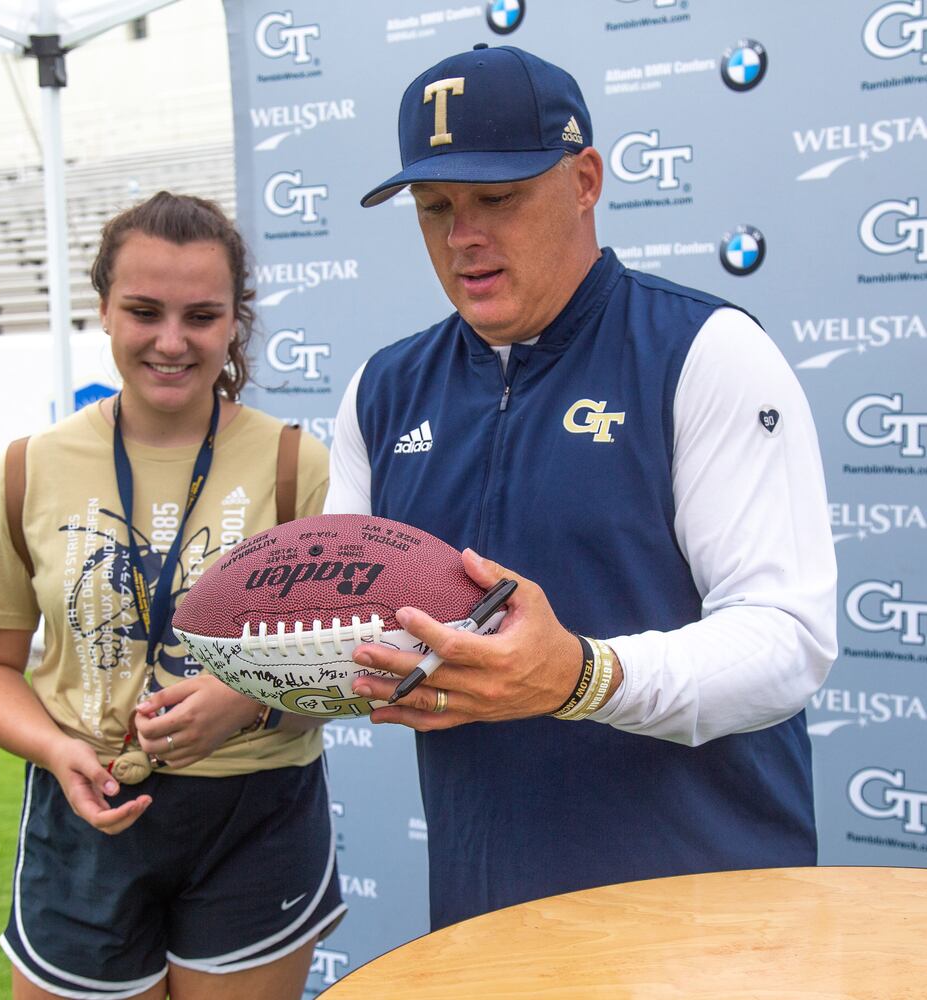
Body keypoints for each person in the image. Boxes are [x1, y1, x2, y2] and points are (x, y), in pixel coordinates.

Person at [323, 45, 837, 931]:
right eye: (434, 206)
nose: (462, 236)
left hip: (706, 910)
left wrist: (583, 677)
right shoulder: (382, 388)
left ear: (585, 179)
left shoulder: (703, 350)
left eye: (497, 198)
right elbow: (349, 628)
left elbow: (787, 640)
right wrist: (256, 677)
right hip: (488, 916)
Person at [0, 192, 344, 1000]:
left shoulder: (295, 466)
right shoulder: (28, 467)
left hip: (257, 813)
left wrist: (247, 701)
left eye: (201, 316)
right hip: (84, 807)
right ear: (103, 309)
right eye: (144, 311)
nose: (171, 342)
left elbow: (347, 672)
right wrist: (55, 749)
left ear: (234, 323)